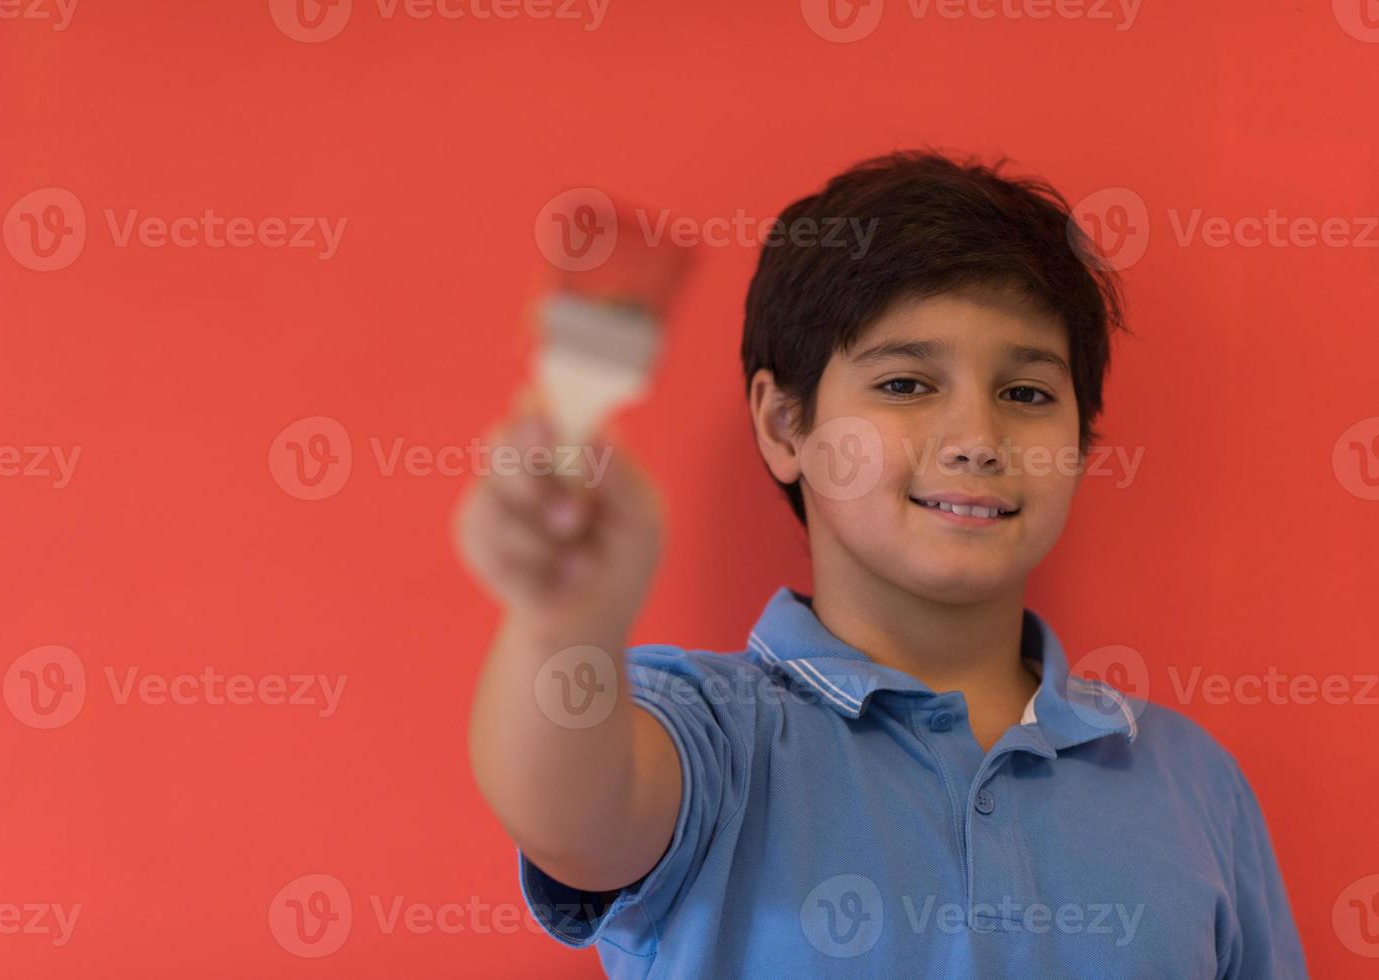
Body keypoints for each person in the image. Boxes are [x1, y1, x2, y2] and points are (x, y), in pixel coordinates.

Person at [456, 148, 1308, 977]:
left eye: (1026, 394)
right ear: (784, 425)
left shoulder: (1190, 782)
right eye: (904, 384)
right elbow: (570, 811)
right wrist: (564, 620)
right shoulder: (709, 734)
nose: (977, 440)